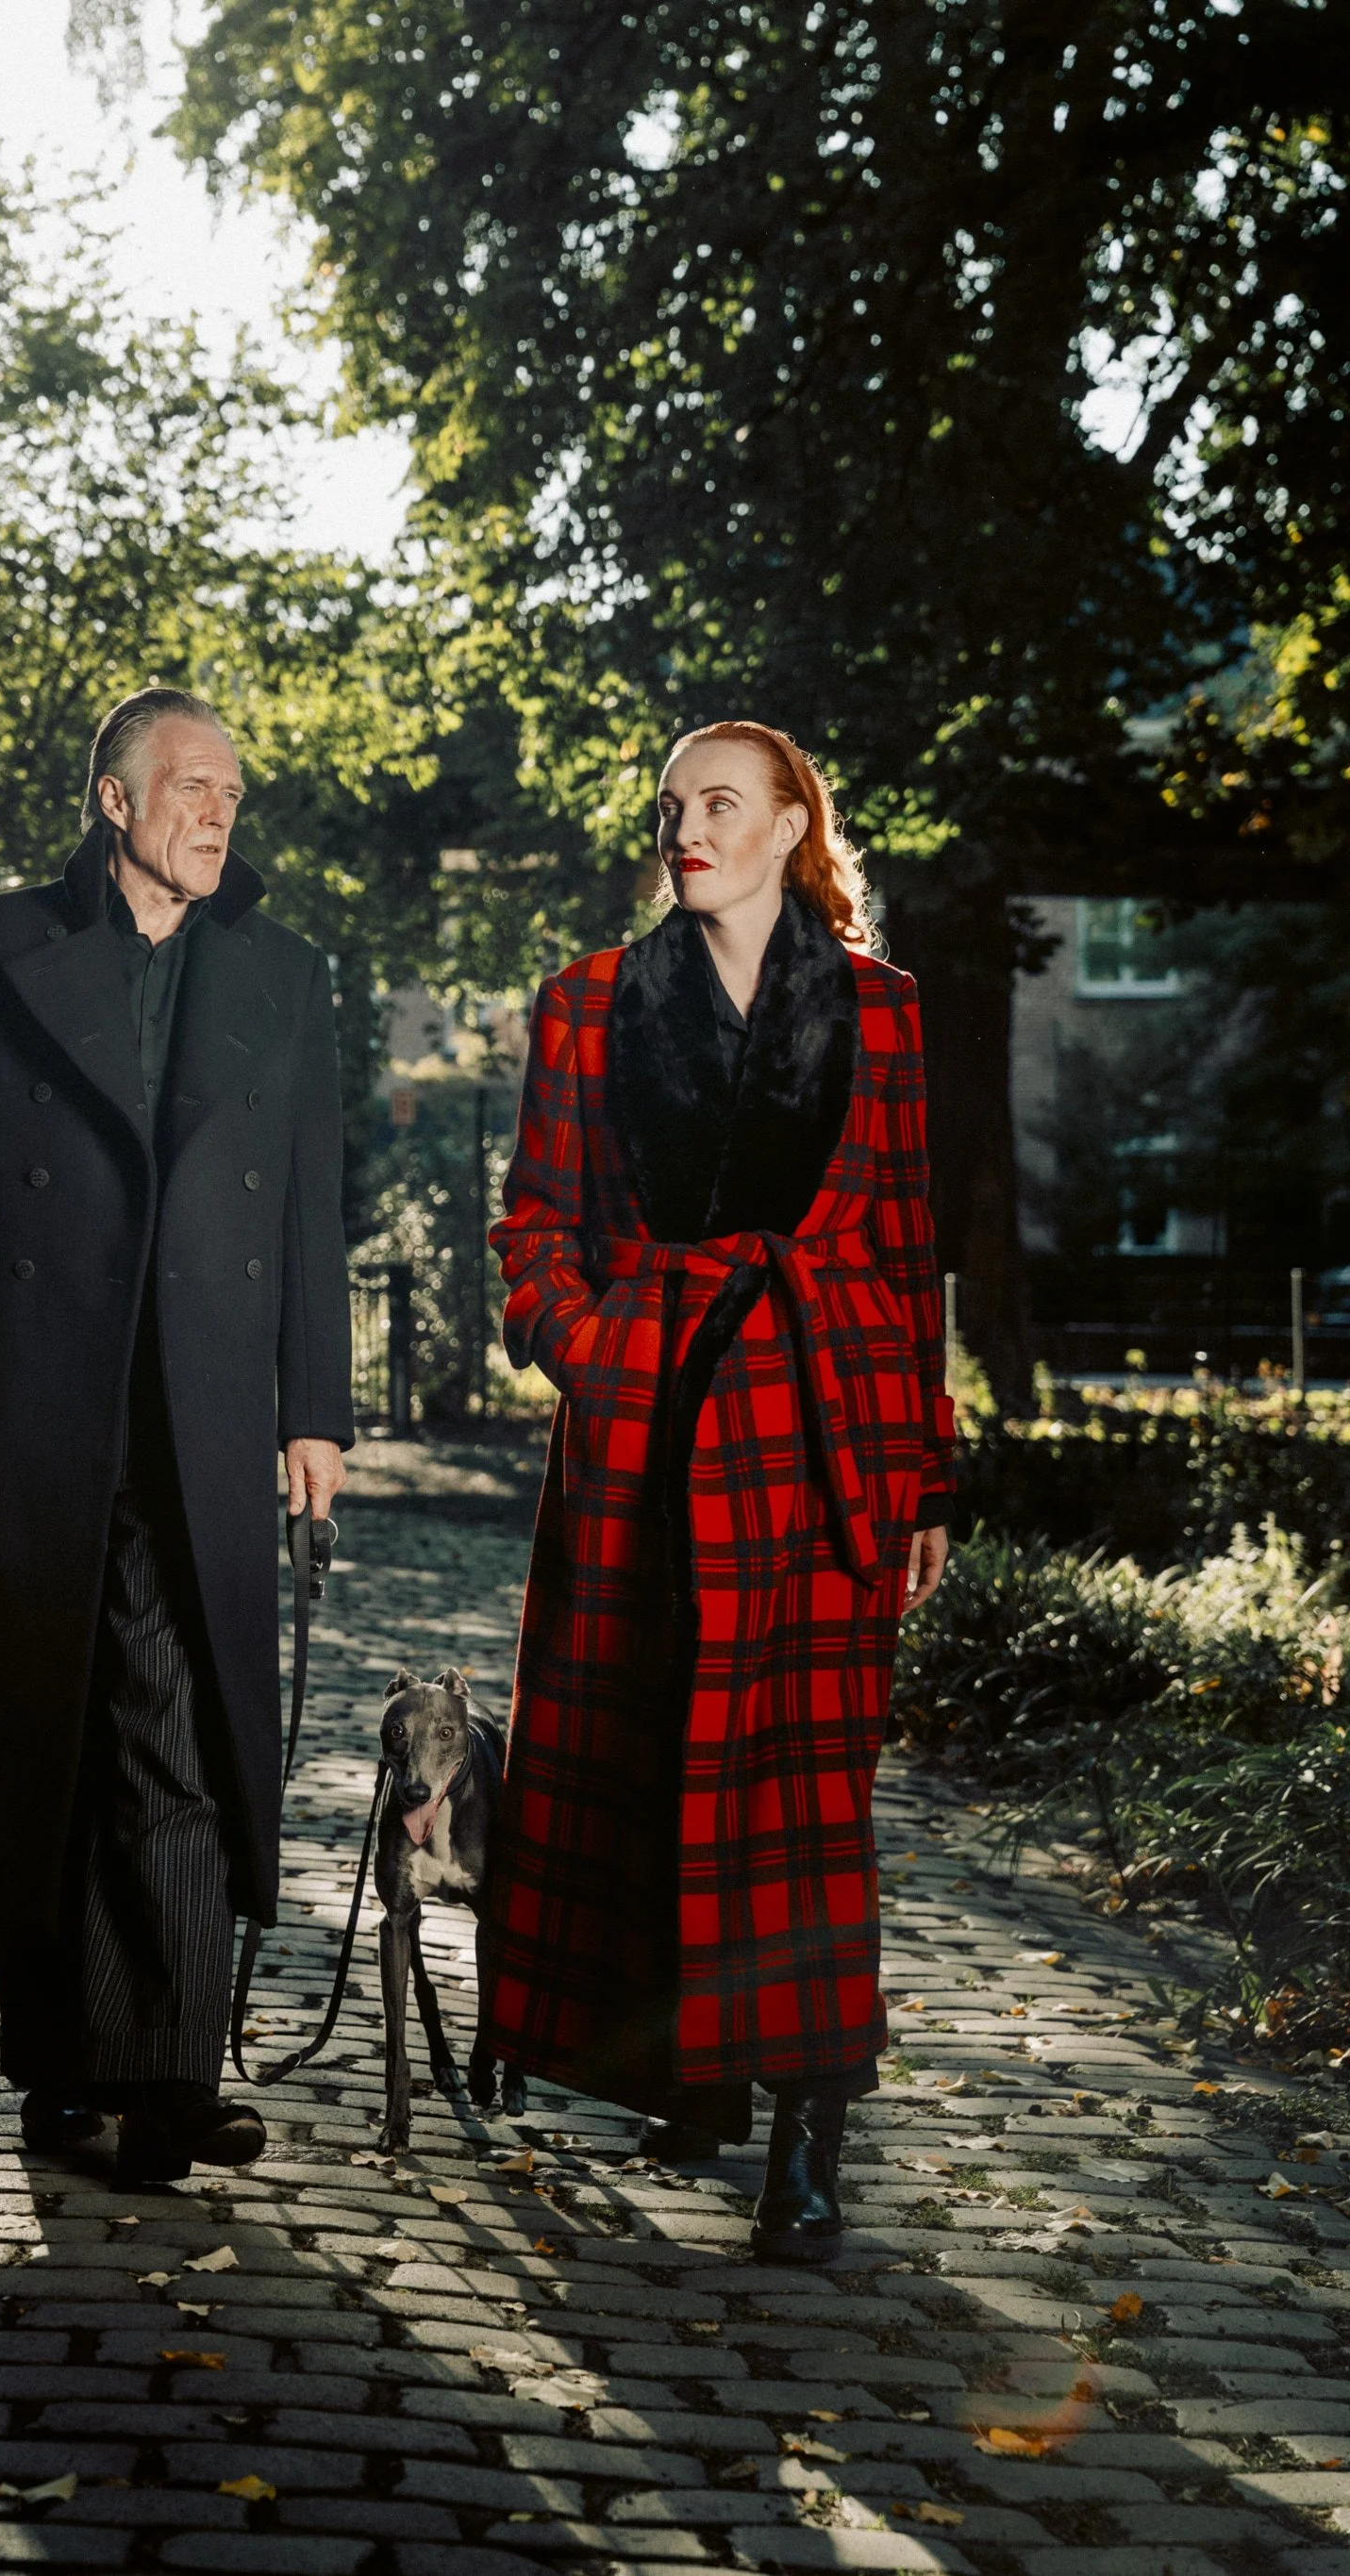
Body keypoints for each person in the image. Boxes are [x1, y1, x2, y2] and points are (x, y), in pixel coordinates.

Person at [0, 688, 352, 2185]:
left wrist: (314, 1407)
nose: (219, 812)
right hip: (23, 1398)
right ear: (116, 801)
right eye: (192, 785)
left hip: (196, 1410)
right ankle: (67, 2073)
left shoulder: (282, 972)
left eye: (234, 793)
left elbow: (312, 1211)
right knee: (40, 1732)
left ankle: (172, 2069)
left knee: (176, 1726)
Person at [484, 719, 954, 2263]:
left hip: (824, 1439)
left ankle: (814, 2125)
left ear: (790, 823)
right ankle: (686, 2065)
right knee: (638, 1752)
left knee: (809, 1793)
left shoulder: (882, 1015)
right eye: (675, 805)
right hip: (649, 1432)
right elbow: (535, 1228)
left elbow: (902, 1249)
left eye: (723, 804)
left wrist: (921, 1472)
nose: (688, 827)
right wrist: (597, 1341)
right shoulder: (589, 1005)